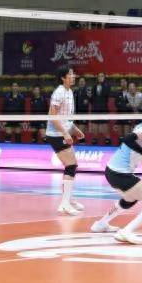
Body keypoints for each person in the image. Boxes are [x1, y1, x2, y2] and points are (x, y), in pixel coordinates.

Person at [90, 100, 142, 244]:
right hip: (120, 173)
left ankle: (100, 224)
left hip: (112, 171)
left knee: (130, 199)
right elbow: (128, 139)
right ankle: (126, 231)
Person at [45, 65, 86, 216]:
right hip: (56, 134)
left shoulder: (69, 91)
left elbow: (65, 117)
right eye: (70, 74)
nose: (74, 76)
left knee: (72, 165)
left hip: (62, 132)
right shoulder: (59, 92)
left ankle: (68, 199)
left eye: (73, 74)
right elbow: (52, 115)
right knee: (71, 165)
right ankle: (65, 204)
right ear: (63, 77)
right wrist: (65, 133)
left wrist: (74, 129)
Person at [90, 72, 111, 144]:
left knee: (104, 127)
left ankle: (108, 140)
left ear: (104, 78)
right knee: (94, 127)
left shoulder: (107, 85)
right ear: (97, 78)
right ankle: (94, 140)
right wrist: (89, 97)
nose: (100, 77)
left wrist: (102, 84)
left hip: (103, 109)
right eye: (99, 76)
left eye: (102, 76)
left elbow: (106, 94)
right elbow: (91, 100)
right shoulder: (94, 86)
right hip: (95, 109)